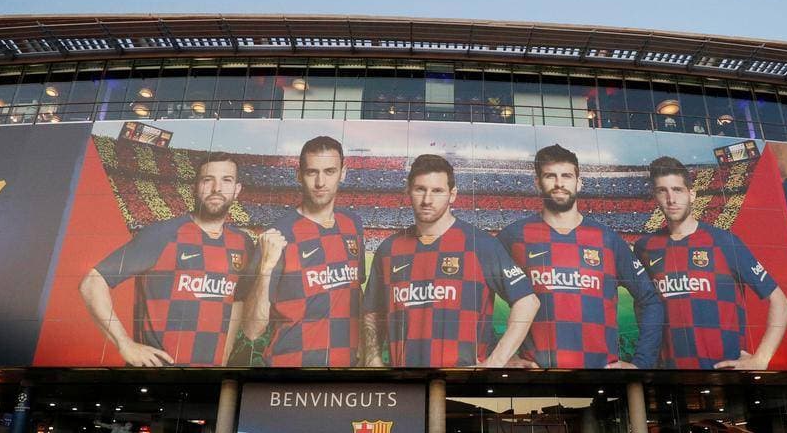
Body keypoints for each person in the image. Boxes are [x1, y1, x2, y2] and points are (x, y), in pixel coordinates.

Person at [495, 144, 664, 369]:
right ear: (538, 183)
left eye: (566, 175)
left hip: (600, 378)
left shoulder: (608, 239)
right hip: (537, 377)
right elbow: (475, 294)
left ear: (578, 182)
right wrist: (499, 357)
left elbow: (650, 299)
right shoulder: (513, 236)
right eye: (550, 176)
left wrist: (641, 363)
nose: (559, 183)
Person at [362, 154, 539, 368]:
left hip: (463, 382)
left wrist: (496, 361)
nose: (427, 199)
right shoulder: (388, 249)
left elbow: (528, 301)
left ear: (452, 194)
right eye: (420, 189)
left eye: (437, 191)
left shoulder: (479, 244)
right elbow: (372, 311)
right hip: (407, 383)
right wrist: (373, 358)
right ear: (407, 190)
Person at [80, 155, 254, 367]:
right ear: (195, 187)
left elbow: (238, 299)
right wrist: (124, 343)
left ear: (237, 189)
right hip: (158, 375)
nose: (217, 188)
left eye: (226, 180)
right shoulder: (162, 234)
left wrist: (224, 355)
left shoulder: (243, 242)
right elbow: (92, 282)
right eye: (208, 179)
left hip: (211, 377)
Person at [633, 156, 787, 370]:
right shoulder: (645, 247)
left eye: (677, 190)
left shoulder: (723, 241)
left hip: (725, 374)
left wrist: (761, 359)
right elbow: (643, 304)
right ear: (655, 196)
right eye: (662, 190)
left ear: (692, 194)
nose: (671, 199)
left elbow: (781, 303)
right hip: (671, 376)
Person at [243, 136, 365, 366]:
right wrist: (265, 270)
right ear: (299, 175)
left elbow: (355, 290)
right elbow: (252, 330)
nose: (320, 182)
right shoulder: (279, 234)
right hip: (290, 368)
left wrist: (363, 350)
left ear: (343, 172)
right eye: (312, 172)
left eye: (329, 171)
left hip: (346, 369)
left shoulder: (353, 224)